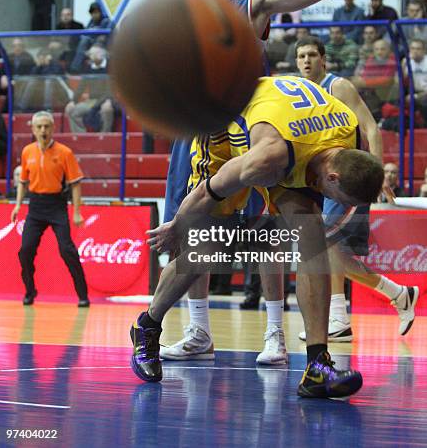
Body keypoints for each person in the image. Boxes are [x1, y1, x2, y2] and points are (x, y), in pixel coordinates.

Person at [131, 0, 371, 397]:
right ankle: (153, 324)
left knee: (302, 237)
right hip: (214, 136)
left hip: (259, 128)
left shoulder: (254, 0)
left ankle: (315, 359)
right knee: (203, 244)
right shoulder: (195, 1)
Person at [132, 74, 384, 397]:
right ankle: (148, 326)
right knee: (209, 245)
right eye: (342, 200)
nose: (340, 206)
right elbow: (211, 191)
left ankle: (317, 366)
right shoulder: (268, 157)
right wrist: (178, 225)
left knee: (312, 234)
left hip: (292, 137)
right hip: (227, 126)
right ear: (333, 176)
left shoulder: (349, 131)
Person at [295, 38, 418, 342]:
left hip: (348, 179)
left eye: (312, 55)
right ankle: (344, 317)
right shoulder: (298, 92)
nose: (306, 61)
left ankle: (394, 296)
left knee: (324, 248)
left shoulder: (338, 87)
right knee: (331, 249)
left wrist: (375, 175)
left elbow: (371, 127)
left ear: (323, 59)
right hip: (323, 181)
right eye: (301, 56)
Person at [11, 111, 89, 307]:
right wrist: (18, 205)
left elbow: (75, 184)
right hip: (35, 206)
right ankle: (30, 290)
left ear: (53, 128)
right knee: (25, 250)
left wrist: (77, 211)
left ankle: (82, 295)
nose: (43, 130)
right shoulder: (28, 151)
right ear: (33, 129)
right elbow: (23, 181)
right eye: (39, 127)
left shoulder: (65, 152)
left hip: (57, 205)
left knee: (66, 250)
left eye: (46, 126)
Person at [65, 44, 114, 133]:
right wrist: (73, 101)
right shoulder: (88, 68)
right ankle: (81, 136)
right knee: (71, 110)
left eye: (95, 54)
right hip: (92, 101)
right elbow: (81, 87)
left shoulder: (111, 66)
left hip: (108, 99)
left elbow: (111, 90)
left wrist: (103, 102)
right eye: (91, 54)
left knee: (107, 108)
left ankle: (105, 135)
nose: (92, 56)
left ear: (102, 54)